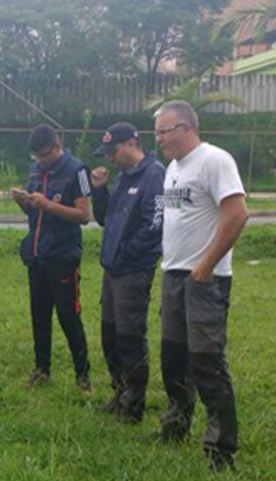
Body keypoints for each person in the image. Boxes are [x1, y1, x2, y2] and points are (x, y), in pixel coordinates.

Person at [152, 100, 249, 470]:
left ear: (186, 128)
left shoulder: (214, 160)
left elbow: (237, 213)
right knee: (173, 357)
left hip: (205, 279)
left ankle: (220, 450)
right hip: (173, 275)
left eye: (165, 131)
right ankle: (175, 426)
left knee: (206, 361)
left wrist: (207, 263)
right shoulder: (172, 169)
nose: (159, 138)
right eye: (157, 131)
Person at [90, 123, 165, 423]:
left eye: (114, 150)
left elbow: (155, 224)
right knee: (110, 335)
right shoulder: (122, 178)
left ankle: (133, 405)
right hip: (112, 269)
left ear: (132, 143)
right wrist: (98, 191)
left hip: (133, 271)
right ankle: (119, 393)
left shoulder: (154, 174)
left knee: (130, 337)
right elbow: (104, 219)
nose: (110, 157)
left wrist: (126, 253)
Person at [9, 124, 93, 391]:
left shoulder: (77, 170)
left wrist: (47, 204)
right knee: (39, 314)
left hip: (63, 255)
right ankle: (42, 368)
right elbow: (33, 213)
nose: (40, 162)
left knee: (69, 316)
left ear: (57, 147)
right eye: (36, 157)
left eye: (44, 156)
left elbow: (84, 216)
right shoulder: (35, 169)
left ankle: (82, 375)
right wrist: (23, 201)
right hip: (36, 255)